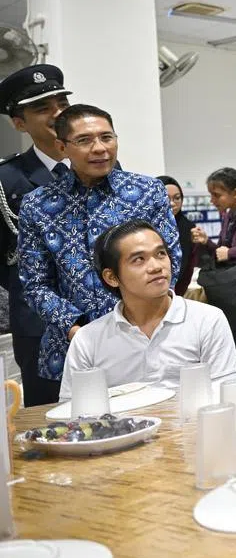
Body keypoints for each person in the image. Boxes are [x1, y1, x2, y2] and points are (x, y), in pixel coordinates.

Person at [18, 104, 182, 389]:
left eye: (107, 137)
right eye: (84, 140)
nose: (99, 148)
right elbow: (35, 283)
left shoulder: (147, 192)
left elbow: (171, 260)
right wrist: (74, 327)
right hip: (72, 346)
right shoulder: (39, 205)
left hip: (146, 337)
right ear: (62, 147)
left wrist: (137, 320)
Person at [59, 220, 236, 399]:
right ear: (112, 277)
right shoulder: (88, 340)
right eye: (139, 259)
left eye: (161, 254)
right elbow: (74, 413)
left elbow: (226, 396)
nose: (156, 267)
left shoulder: (207, 320)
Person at [0, 64, 72, 405]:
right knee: (51, 419)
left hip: (104, 314)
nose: (57, 113)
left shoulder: (99, 163)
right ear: (19, 123)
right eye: (43, 108)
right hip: (40, 326)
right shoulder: (7, 179)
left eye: (61, 103)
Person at [192, 167, 236, 381]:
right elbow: (223, 253)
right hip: (234, 289)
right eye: (211, 194)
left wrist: (233, 251)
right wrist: (208, 243)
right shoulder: (229, 215)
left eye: (217, 195)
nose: (213, 200)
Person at [157, 175, 195, 296]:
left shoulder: (188, 227)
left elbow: (188, 266)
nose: (173, 203)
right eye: (167, 198)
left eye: (177, 198)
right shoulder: (145, 227)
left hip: (177, 292)